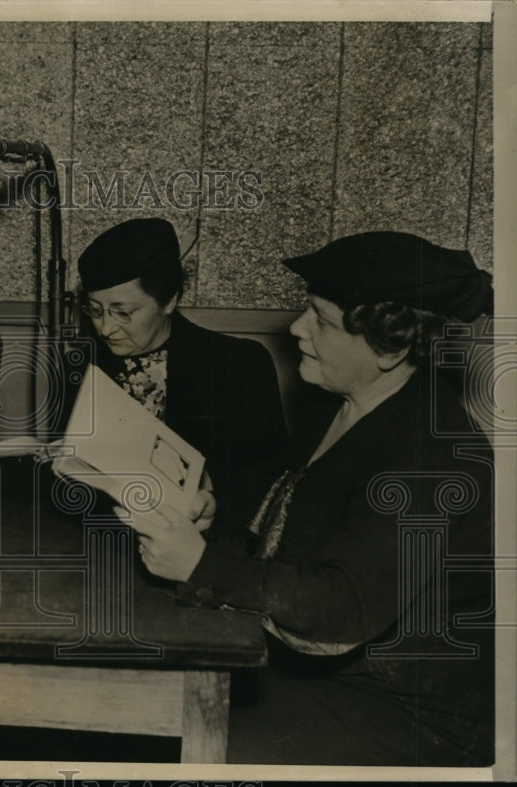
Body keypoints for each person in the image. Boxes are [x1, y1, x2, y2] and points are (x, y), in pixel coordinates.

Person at [122, 231, 495, 766]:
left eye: (320, 319)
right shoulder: (338, 406)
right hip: (318, 673)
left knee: (161, 740)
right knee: (139, 702)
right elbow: (282, 502)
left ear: (389, 348)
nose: (298, 327)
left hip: (404, 714)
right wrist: (215, 508)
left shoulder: (431, 454)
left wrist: (202, 566)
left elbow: (342, 607)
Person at [68, 217, 287, 532]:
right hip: (102, 539)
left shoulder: (236, 363)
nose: (105, 328)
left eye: (123, 312)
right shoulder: (81, 366)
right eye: (95, 310)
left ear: (170, 301)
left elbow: (270, 477)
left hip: (204, 541)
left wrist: (213, 493)